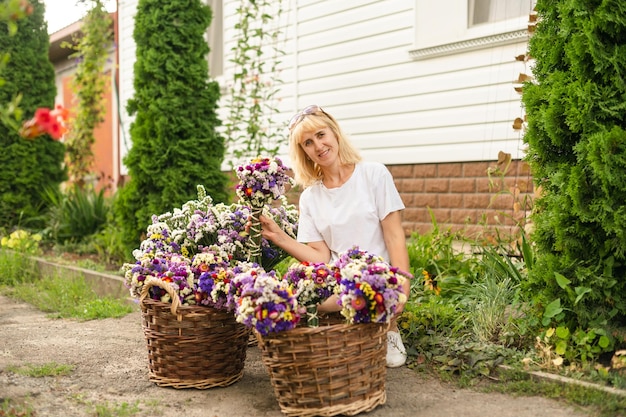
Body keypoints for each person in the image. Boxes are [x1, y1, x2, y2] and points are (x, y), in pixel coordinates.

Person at [258, 104, 412, 368]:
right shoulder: (310, 197)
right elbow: (321, 256)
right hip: (340, 283)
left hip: (378, 278)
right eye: (308, 142)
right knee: (301, 295)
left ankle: (388, 328)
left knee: (361, 298)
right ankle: (349, 324)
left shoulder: (373, 174)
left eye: (321, 135)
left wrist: (403, 288)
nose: (318, 146)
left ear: (334, 133)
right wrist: (279, 237)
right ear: (303, 152)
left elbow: (394, 236)